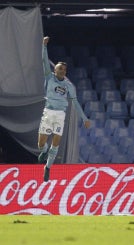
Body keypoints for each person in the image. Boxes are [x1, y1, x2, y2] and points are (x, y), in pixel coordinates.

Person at [38, 36, 91, 182]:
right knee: (41, 143)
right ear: (54, 70)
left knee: (56, 143)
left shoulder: (69, 86)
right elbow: (44, 61)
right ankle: (44, 151)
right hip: (48, 113)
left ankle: (47, 167)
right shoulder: (49, 78)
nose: (63, 70)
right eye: (60, 68)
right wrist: (44, 46)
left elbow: (75, 103)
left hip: (60, 115)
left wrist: (84, 118)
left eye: (64, 69)